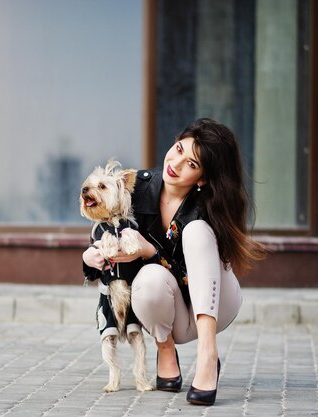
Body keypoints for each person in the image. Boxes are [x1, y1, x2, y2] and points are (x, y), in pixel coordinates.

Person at [82, 118, 267, 406]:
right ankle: (165, 348)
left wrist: (149, 251)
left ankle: (209, 354)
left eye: (191, 164)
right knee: (150, 277)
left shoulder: (210, 205)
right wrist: (89, 259)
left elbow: (198, 271)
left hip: (217, 303)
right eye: (179, 149)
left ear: (203, 178)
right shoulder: (137, 189)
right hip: (172, 312)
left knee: (194, 230)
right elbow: (106, 227)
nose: (176, 163)